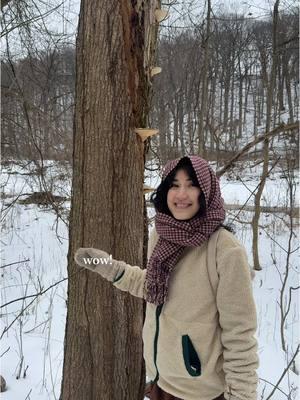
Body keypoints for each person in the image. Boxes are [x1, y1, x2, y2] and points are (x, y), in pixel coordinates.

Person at [74, 155, 259, 400]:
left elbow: (240, 334)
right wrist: (107, 266)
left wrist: (242, 396)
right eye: (174, 184)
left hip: (200, 394)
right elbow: (152, 285)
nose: (181, 194)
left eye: (192, 184)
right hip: (162, 384)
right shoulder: (162, 235)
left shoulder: (225, 250)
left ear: (207, 192)